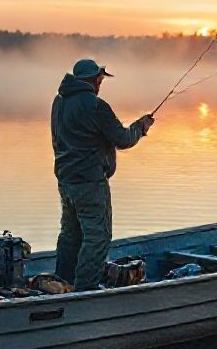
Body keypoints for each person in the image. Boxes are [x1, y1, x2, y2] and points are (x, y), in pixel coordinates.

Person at [52, 58, 154, 291]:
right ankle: (84, 293)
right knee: (97, 238)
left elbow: (56, 140)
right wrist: (141, 127)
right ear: (93, 79)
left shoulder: (58, 103)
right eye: (100, 78)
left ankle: (61, 286)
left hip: (66, 182)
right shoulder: (96, 106)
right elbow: (123, 139)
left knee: (71, 236)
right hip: (90, 184)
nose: (101, 82)